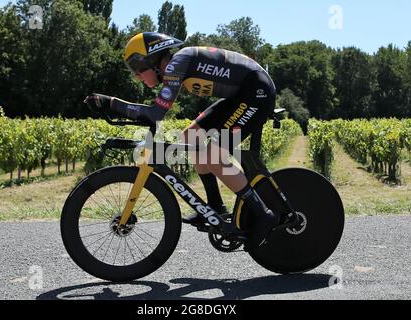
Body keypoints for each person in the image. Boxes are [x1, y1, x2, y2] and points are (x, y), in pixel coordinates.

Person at [85, 32, 280, 246]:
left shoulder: (176, 65)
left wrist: (112, 103)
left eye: (137, 68)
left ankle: (263, 214)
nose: (137, 76)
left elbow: (155, 114)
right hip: (241, 94)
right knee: (190, 136)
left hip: (257, 93)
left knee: (213, 157)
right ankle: (215, 206)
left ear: (152, 61)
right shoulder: (178, 65)